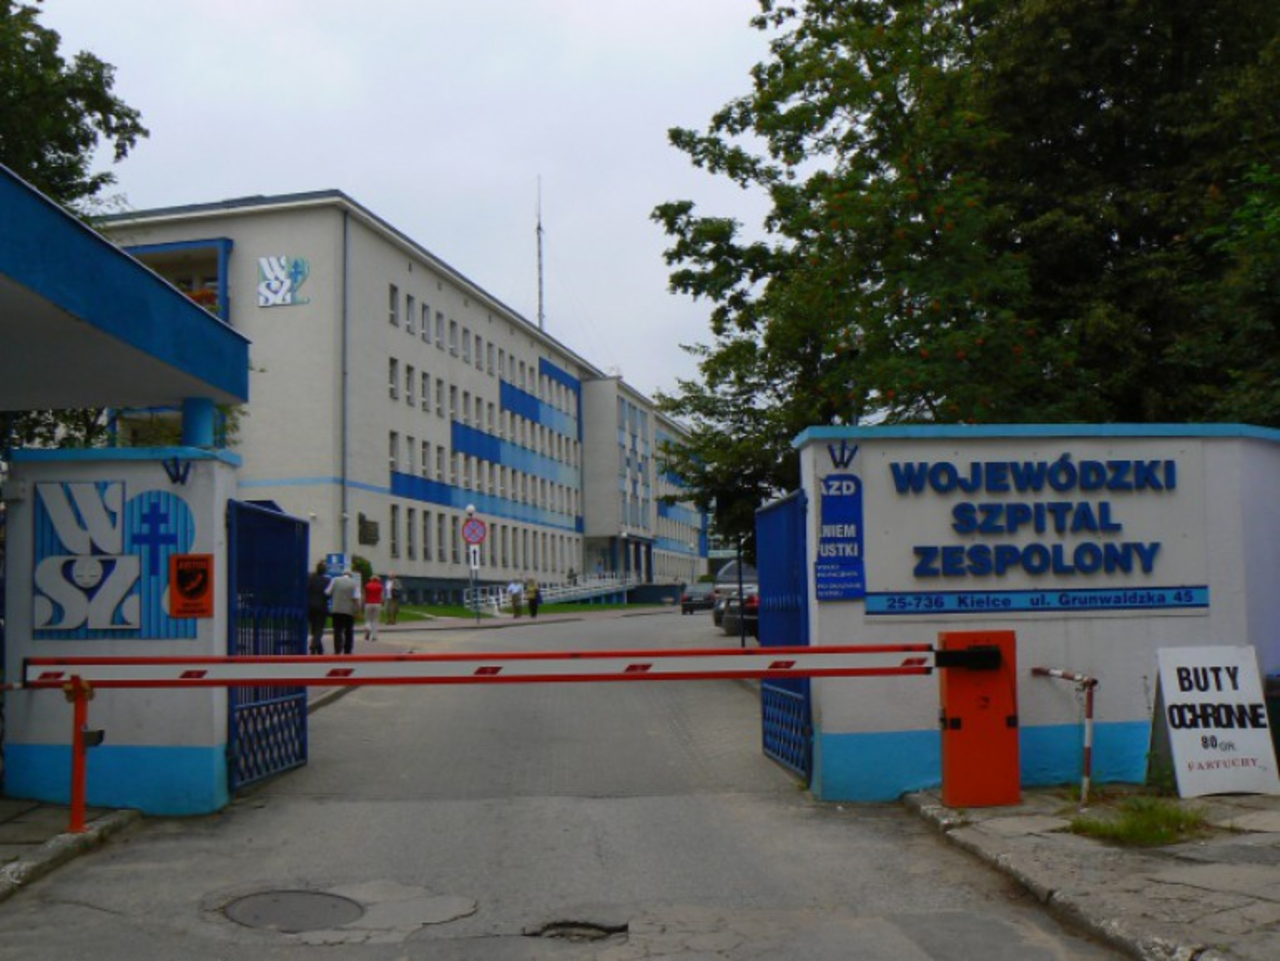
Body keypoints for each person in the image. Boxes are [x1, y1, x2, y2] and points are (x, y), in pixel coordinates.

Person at [326, 567, 360, 655]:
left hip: (336, 610)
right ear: (351, 575)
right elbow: (356, 599)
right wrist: (357, 610)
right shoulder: (354, 583)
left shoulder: (335, 580)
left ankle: (337, 649)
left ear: (343, 574)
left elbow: (328, 592)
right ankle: (347, 650)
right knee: (349, 631)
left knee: (337, 630)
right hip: (349, 611)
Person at [306, 560, 330, 654]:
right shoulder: (327, 581)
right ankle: (313, 645)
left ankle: (319, 649)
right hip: (321, 607)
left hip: (310, 606)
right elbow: (328, 594)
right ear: (324, 571)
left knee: (314, 628)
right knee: (319, 629)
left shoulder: (310, 579)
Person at [363, 573, 384, 641]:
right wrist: (382, 603)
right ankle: (374, 636)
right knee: (375, 620)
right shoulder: (380, 586)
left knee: (368, 619)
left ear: (371, 579)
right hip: (377, 604)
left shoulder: (367, 585)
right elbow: (382, 596)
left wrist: (363, 603)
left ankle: (368, 628)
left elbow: (364, 595)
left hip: (368, 603)